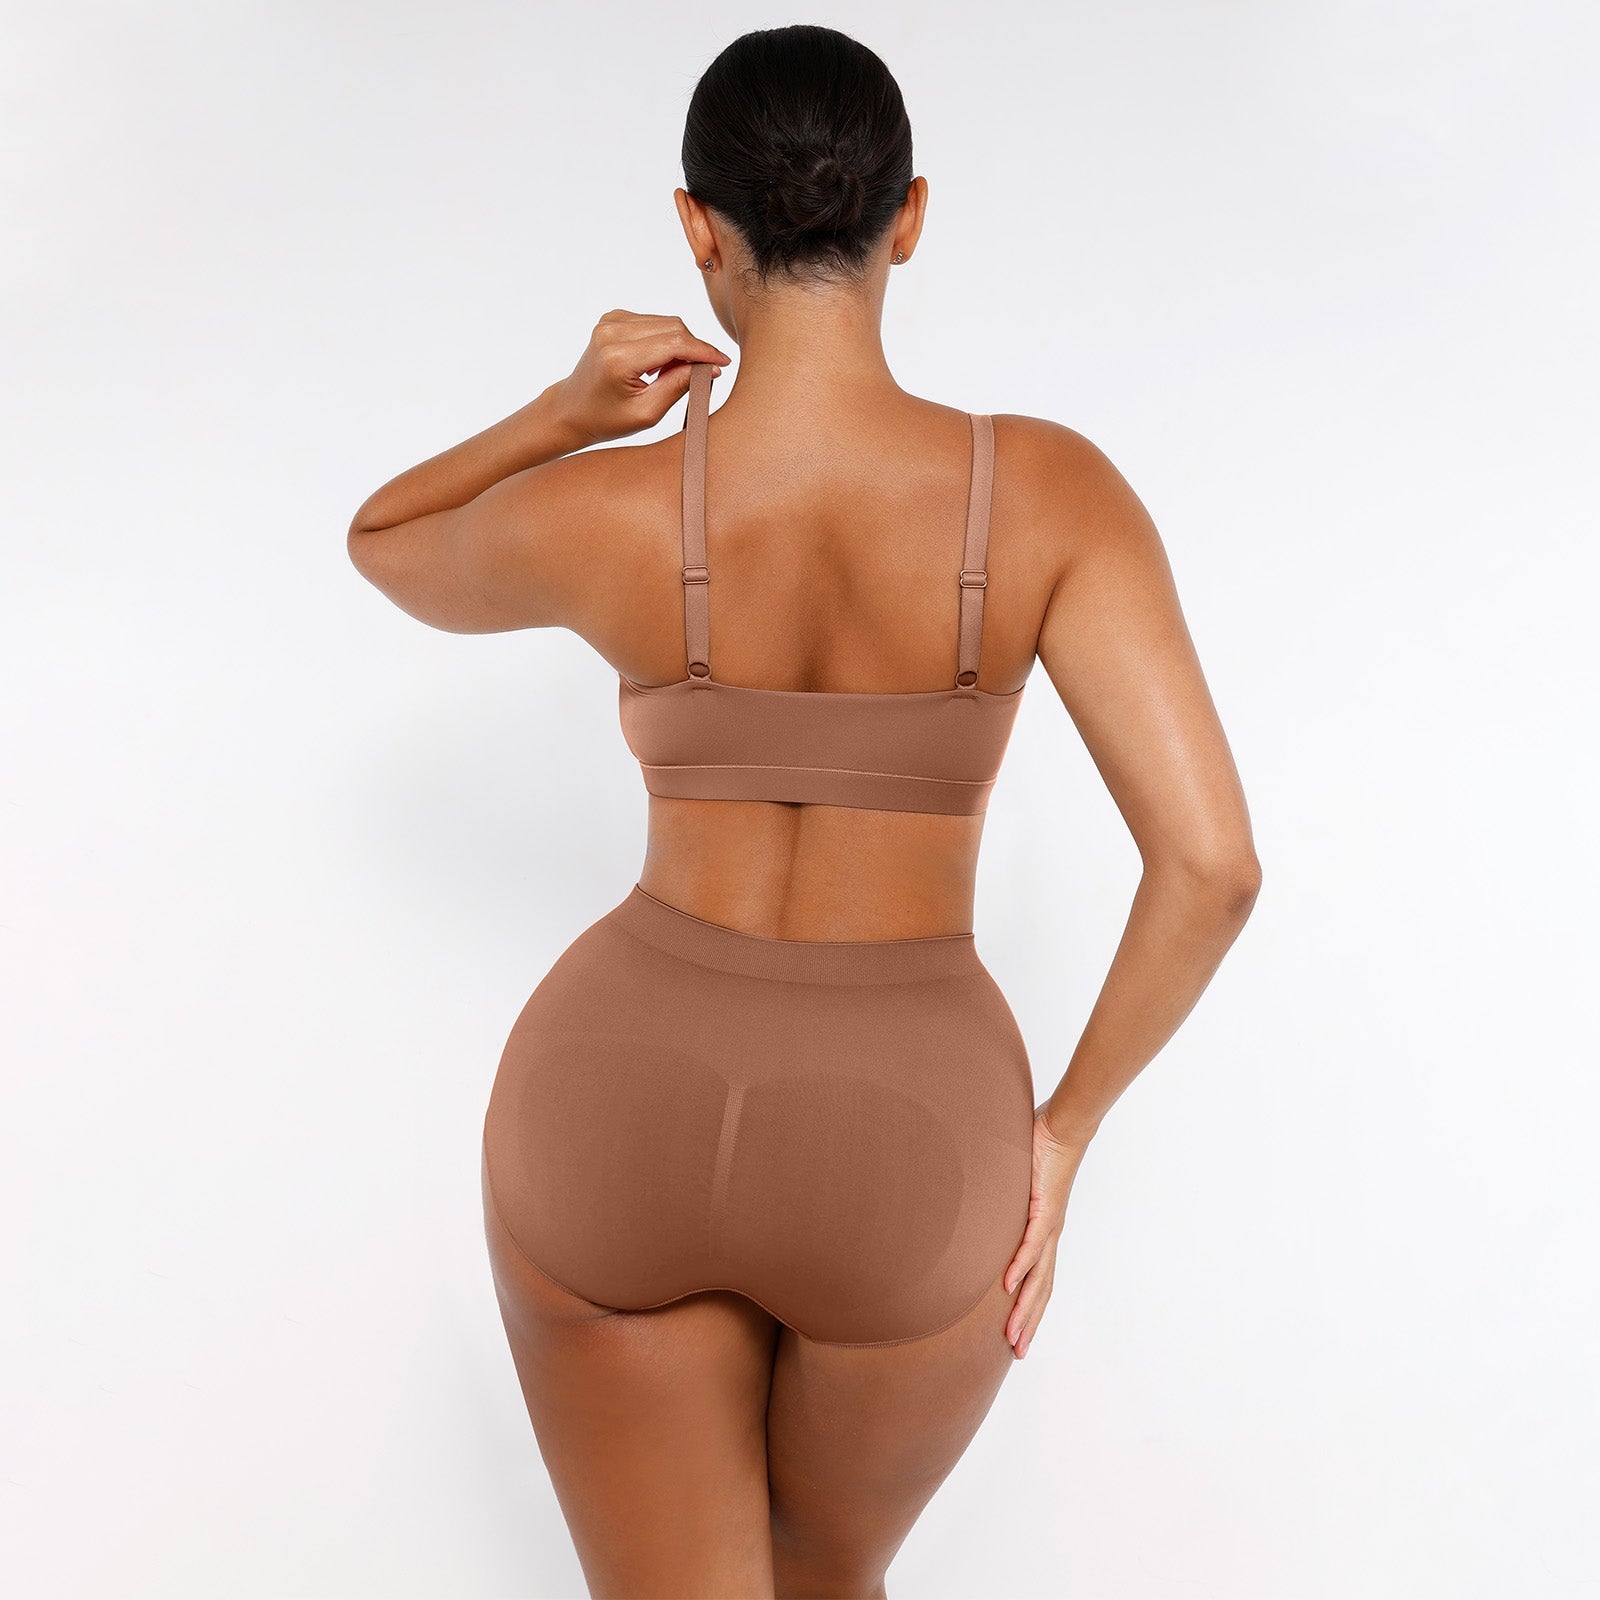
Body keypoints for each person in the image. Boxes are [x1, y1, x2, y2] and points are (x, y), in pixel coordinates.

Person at [347, 23, 1260, 1600]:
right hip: (907, 1128)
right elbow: (1213, 865)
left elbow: (386, 540)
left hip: (614, 1088)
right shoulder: (1049, 495)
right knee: (825, 1575)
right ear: (911, 217)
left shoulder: (624, 509)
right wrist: (1063, 1132)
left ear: (697, 231)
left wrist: (568, 411)